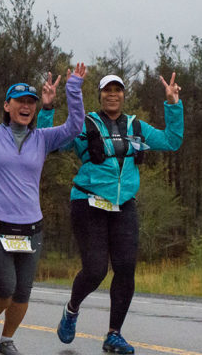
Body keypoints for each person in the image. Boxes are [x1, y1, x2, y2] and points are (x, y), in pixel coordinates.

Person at [0, 61, 86, 355]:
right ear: (7, 105)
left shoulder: (43, 138)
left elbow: (76, 126)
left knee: (23, 291)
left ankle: (6, 339)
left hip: (30, 227)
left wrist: (73, 89)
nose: (26, 106)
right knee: (6, 285)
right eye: (20, 101)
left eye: (31, 102)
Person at [53, 73, 184, 354]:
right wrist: (47, 110)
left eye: (118, 90)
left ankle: (114, 334)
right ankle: (72, 309)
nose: (113, 94)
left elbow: (172, 141)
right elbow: (51, 143)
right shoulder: (85, 124)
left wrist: (173, 104)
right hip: (88, 202)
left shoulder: (135, 125)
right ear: (99, 94)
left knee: (125, 270)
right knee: (96, 270)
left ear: (124, 95)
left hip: (124, 205)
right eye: (107, 90)